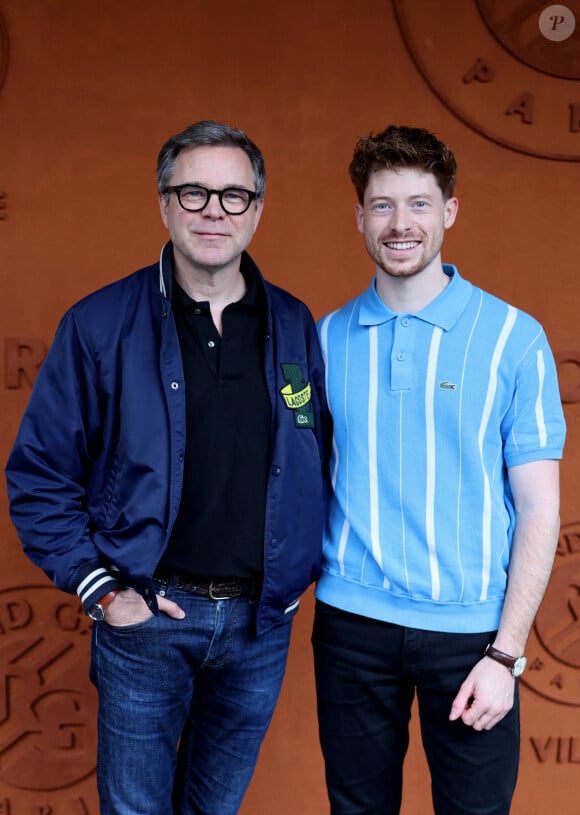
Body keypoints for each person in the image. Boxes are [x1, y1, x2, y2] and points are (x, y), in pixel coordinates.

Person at [6, 119, 328, 815]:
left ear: (258, 209)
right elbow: (38, 479)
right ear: (164, 203)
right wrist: (106, 594)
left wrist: (298, 575)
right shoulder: (99, 324)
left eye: (234, 196)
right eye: (194, 193)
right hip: (146, 618)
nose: (214, 210)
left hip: (259, 626)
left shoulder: (296, 324)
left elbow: (319, 459)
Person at [312, 125, 565, 815]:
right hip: (350, 625)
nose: (401, 224)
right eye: (383, 204)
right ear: (360, 216)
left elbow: (541, 508)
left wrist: (506, 655)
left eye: (419, 203)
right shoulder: (326, 340)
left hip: (473, 636)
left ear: (449, 211)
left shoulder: (515, 338)